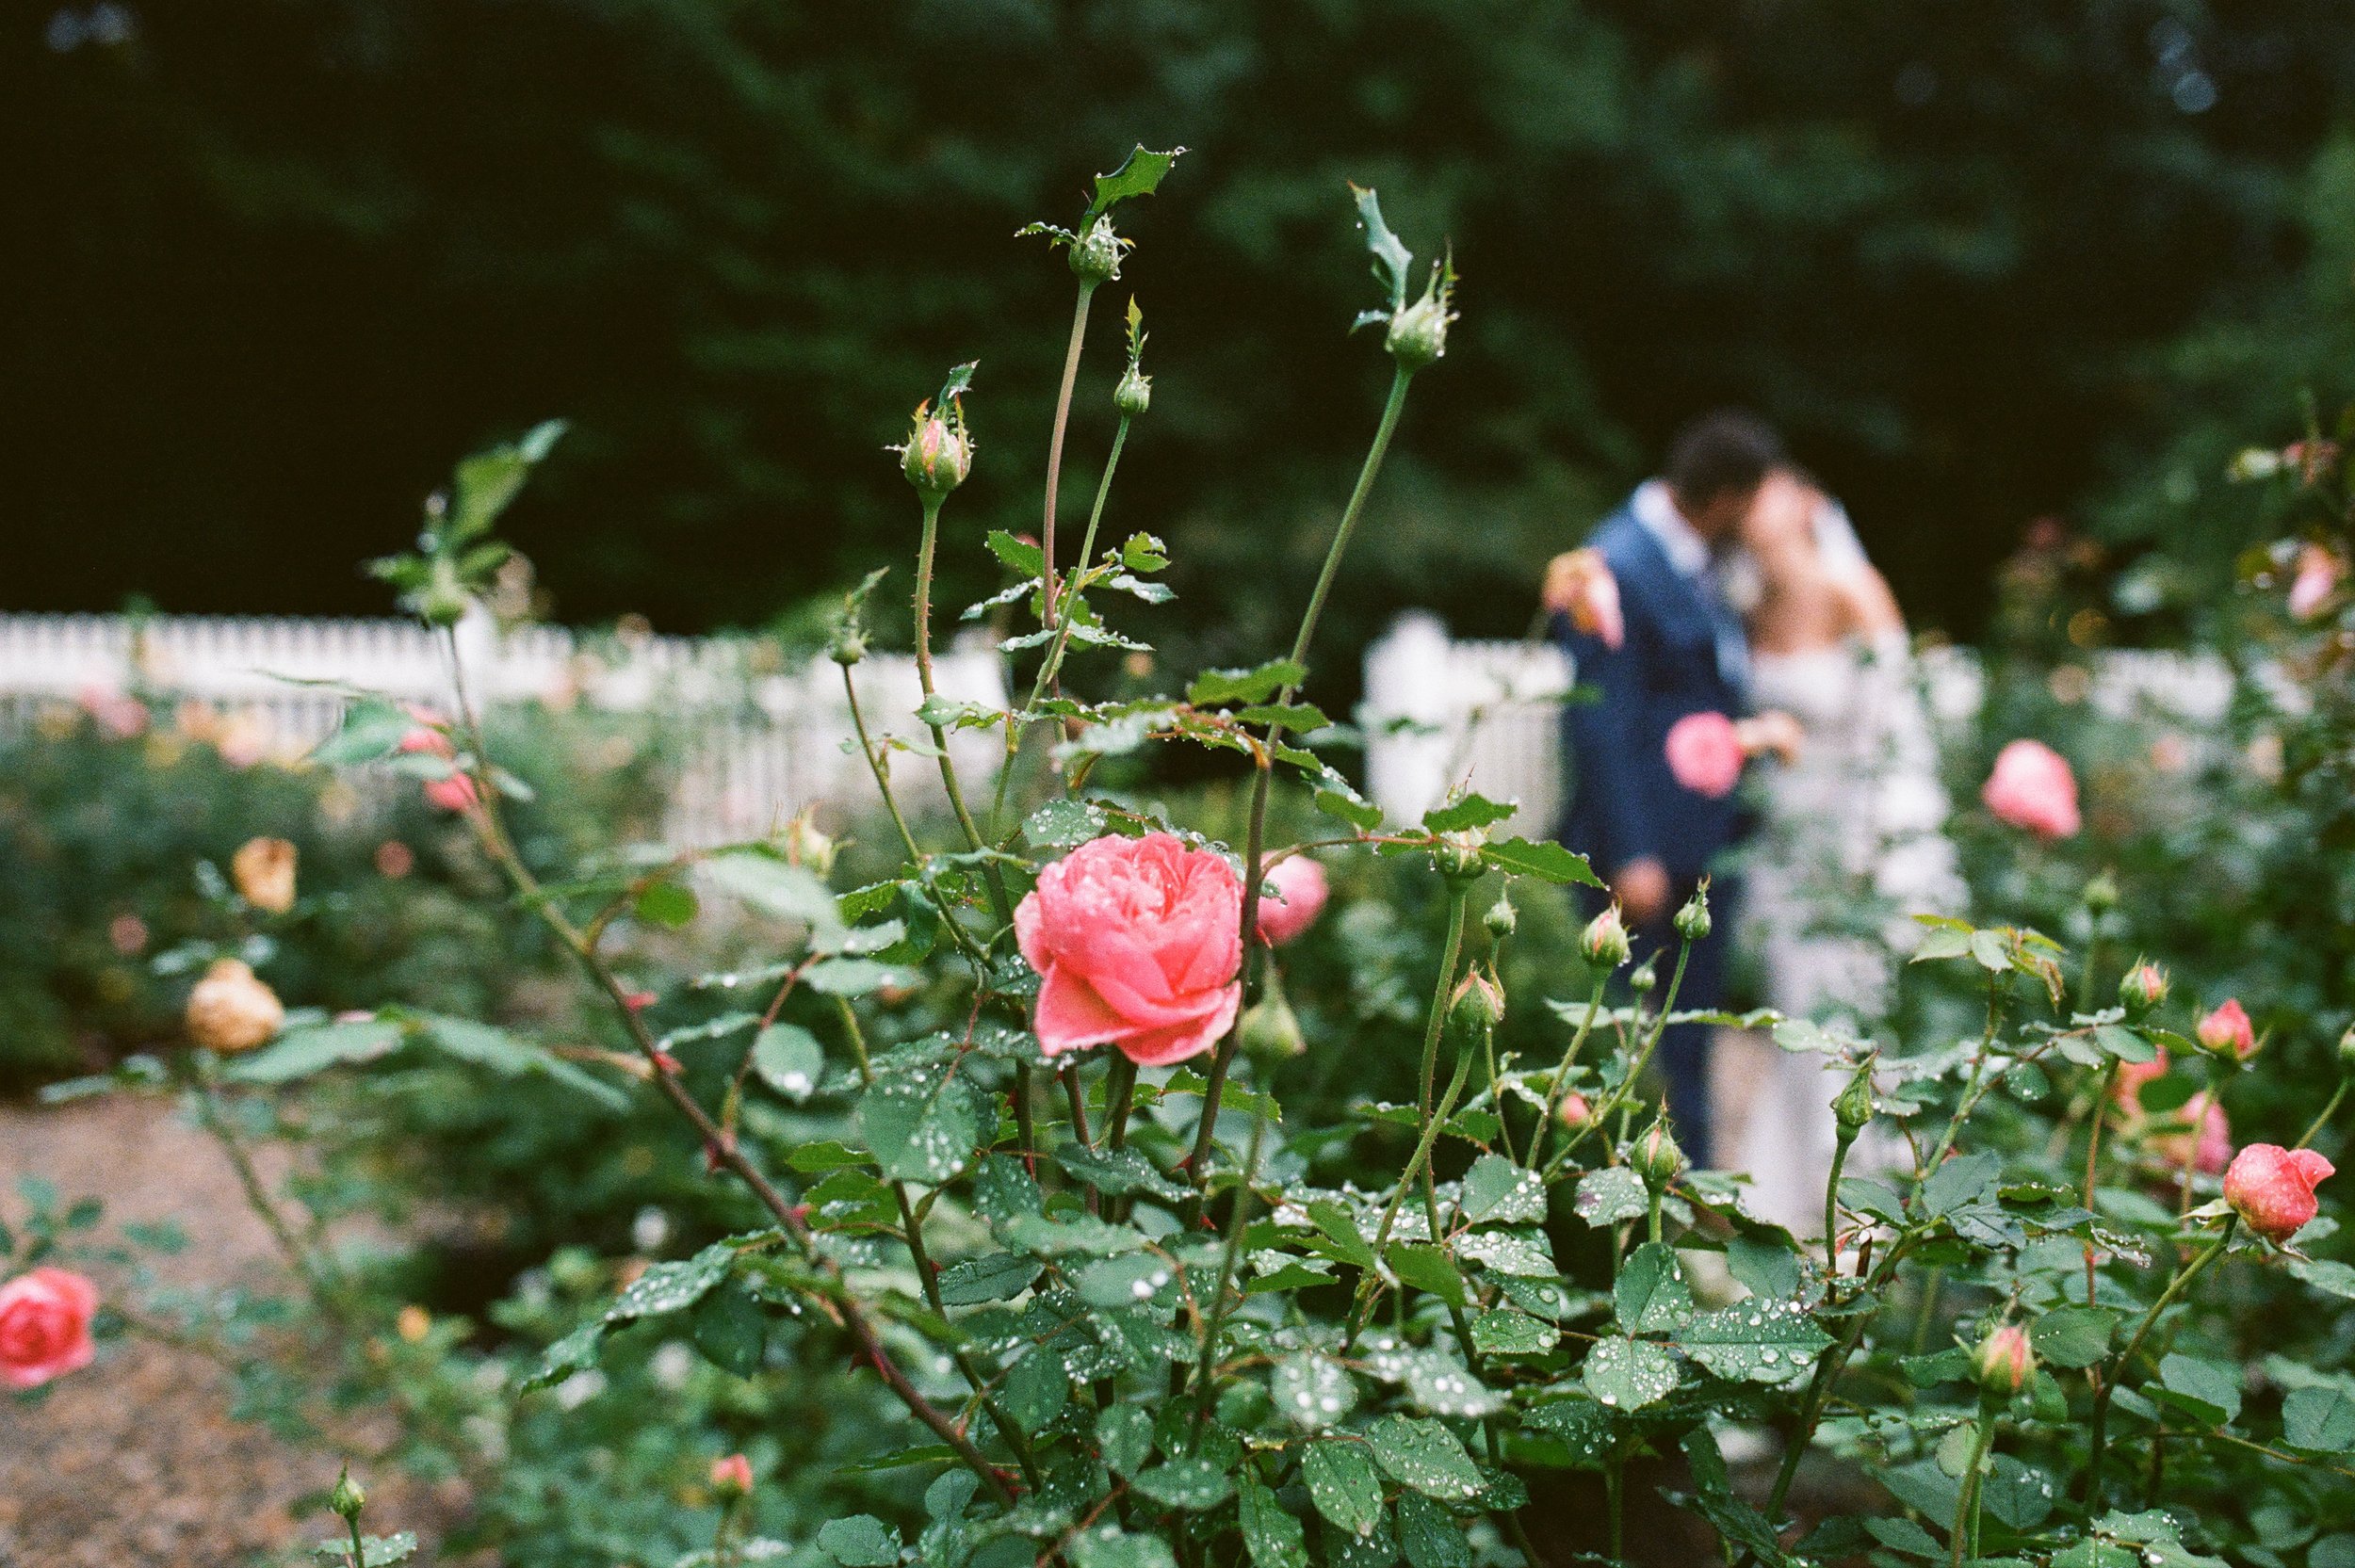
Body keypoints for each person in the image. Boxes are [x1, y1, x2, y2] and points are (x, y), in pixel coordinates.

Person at [1542, 411, 1790, 1166]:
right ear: (1723, 496)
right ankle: (1630, 1199)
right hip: (1642, 852)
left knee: (1689, 1030)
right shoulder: (1616, 563)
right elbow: (1599, 721)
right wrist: (1634, 849)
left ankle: (1690, 1189)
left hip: (1700, 841)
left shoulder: (1695, 560)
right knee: (1625, 1034)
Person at [1719, 468, 1962, 1234]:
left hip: (1857, 840)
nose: (1757, 502)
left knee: (1860, 1021)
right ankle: (1797, 1204)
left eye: (1773, 489)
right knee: (1797, 1024)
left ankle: (1874, 1205)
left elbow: (1900, 728)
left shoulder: (1855, 589)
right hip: (1784, 847)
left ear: (1808, 506)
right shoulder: (1748, 605)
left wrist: (1882, 844)